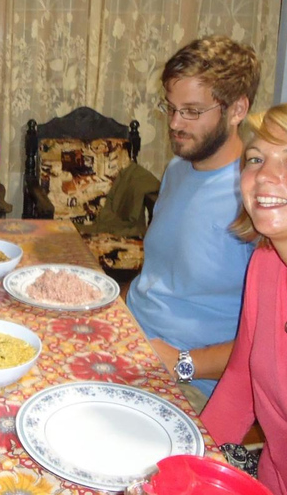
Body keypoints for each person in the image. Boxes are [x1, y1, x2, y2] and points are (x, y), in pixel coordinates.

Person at [126, 36, 261, 410]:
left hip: (193, 381)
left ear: (237, 110)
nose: (174, 124)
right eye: (170, 108)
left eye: (191, 111)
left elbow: (269, 343)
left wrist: (183, 364)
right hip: (133, 343)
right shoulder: (177, 168)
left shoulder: (257, 198)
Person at [201, 104, 287, 494]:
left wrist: (180, 365)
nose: (266, 175)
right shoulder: (266, 264)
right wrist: (192, 462)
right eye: (256, 159)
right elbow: (240, 381)